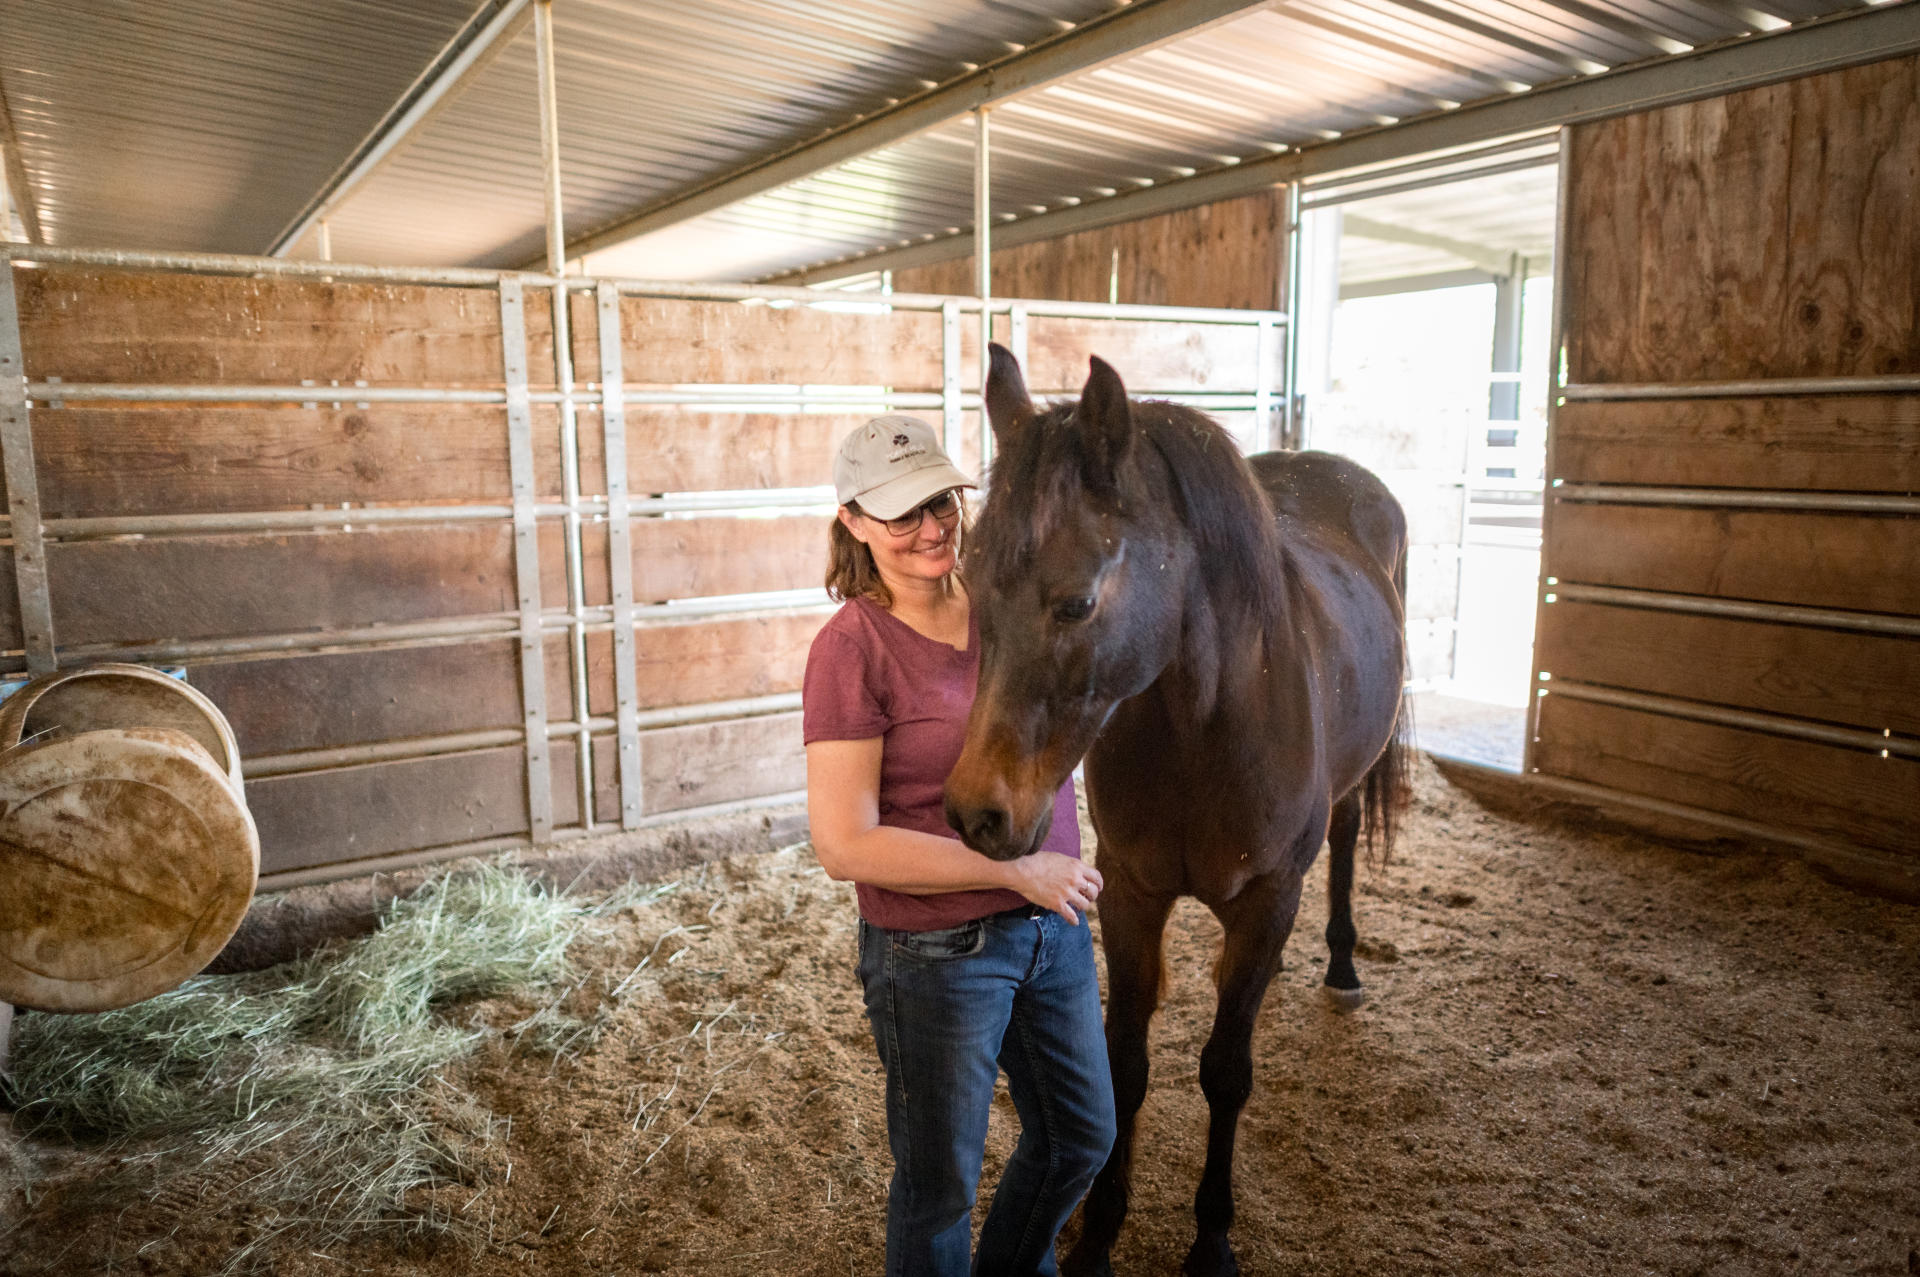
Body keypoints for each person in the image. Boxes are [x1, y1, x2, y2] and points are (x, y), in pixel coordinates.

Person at [802, 414, 1115, 1277]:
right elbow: (845, 844)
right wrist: (1018, 869)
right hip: (935, 949)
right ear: (853, 522)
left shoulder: (1009, 602)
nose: (933, 527)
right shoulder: (852, 648)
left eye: (939, 501)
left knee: (1081, 1134)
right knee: (940, 1182)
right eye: (902, 514)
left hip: (1052, 925)